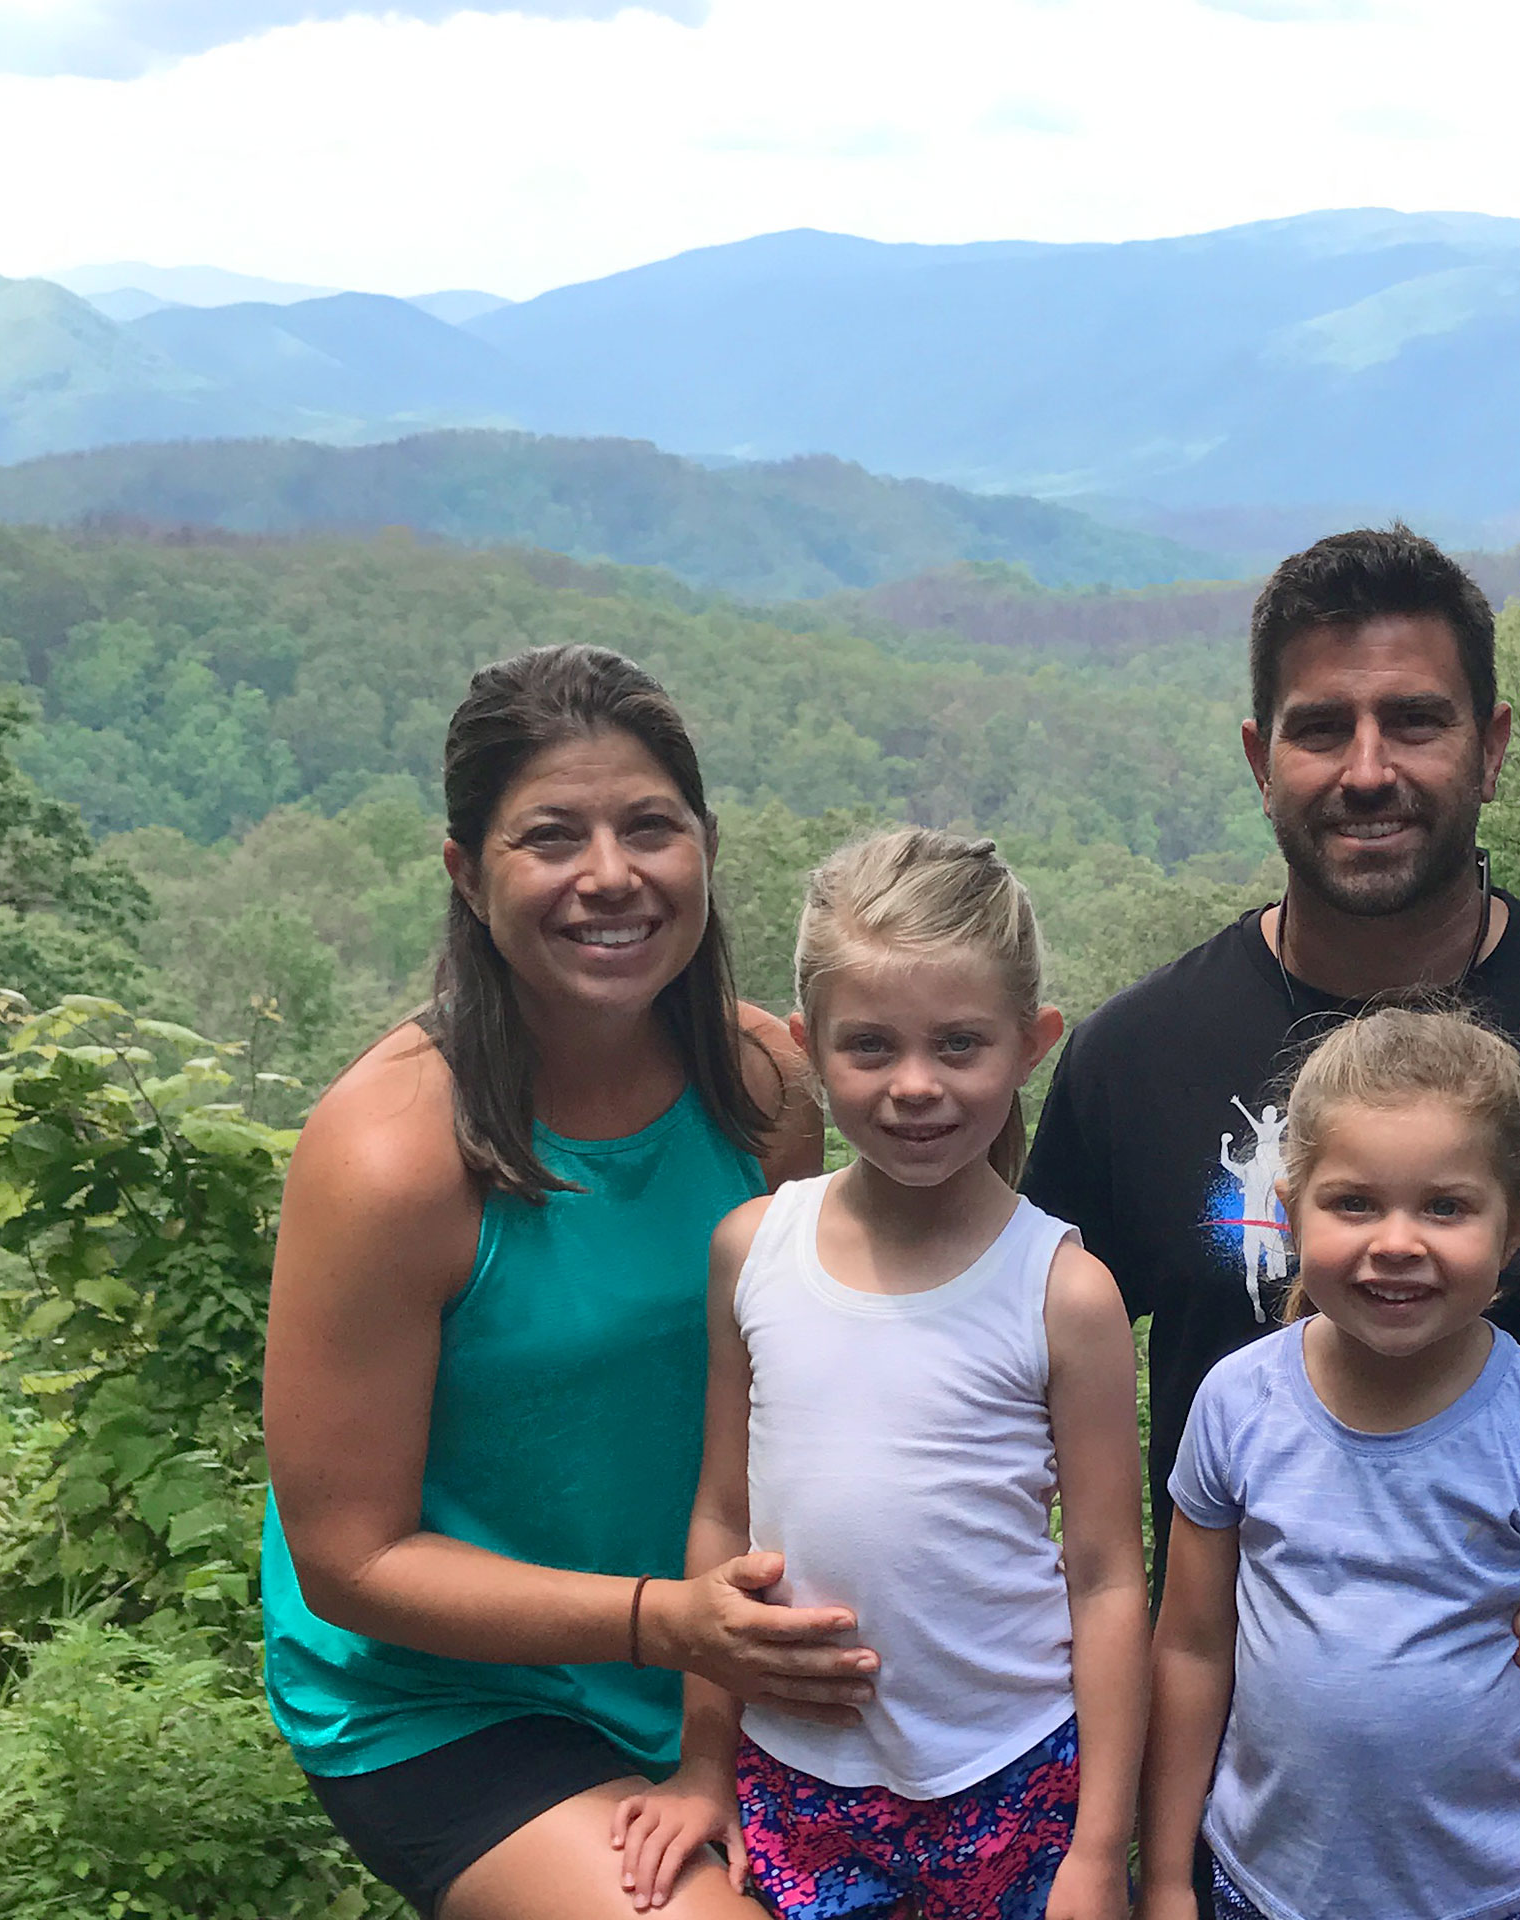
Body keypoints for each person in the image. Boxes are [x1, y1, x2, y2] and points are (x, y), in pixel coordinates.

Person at [1023, 527, 1520, 1920]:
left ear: (1491, 746)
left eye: (1416, 722)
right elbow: (1012, 1385)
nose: (1368, 771)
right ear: (1262, 756)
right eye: (1323, 729)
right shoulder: (1131, 1064)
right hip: (1252, 1763)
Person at [260, 644, 870, 1920]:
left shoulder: (761, 1091)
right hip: (452, 1694)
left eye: (651, 827)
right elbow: (351, 1560)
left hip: (708, 1655)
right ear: (466, 873)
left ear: (704, 844)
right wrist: (664, 1621)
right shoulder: (391, 1160)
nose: (611, 875)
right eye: (551, 837)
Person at [611, 827, 1150, 1920]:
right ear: (809, 1044)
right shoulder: (751, 1250)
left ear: (1031, 1041)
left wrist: (1100, 1848)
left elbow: (1104, 1577)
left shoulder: (1062, 1290)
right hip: (794, 1776)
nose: (916, 1086)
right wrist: (703, 1766)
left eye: (960, 1045)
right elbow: (724, 1518)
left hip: (1016, 1772)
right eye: (872, 1047)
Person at [1138, 1005, 1520, 1920]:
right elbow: (1190, 1649)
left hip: (1489, 1900)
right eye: (1355, 1202)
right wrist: (1168, 1879)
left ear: (1515, 1227)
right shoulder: (1235, 1405)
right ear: (1290, 1211)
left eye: (1445, 1206)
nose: (1398, 1241)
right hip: (1262, 1891)